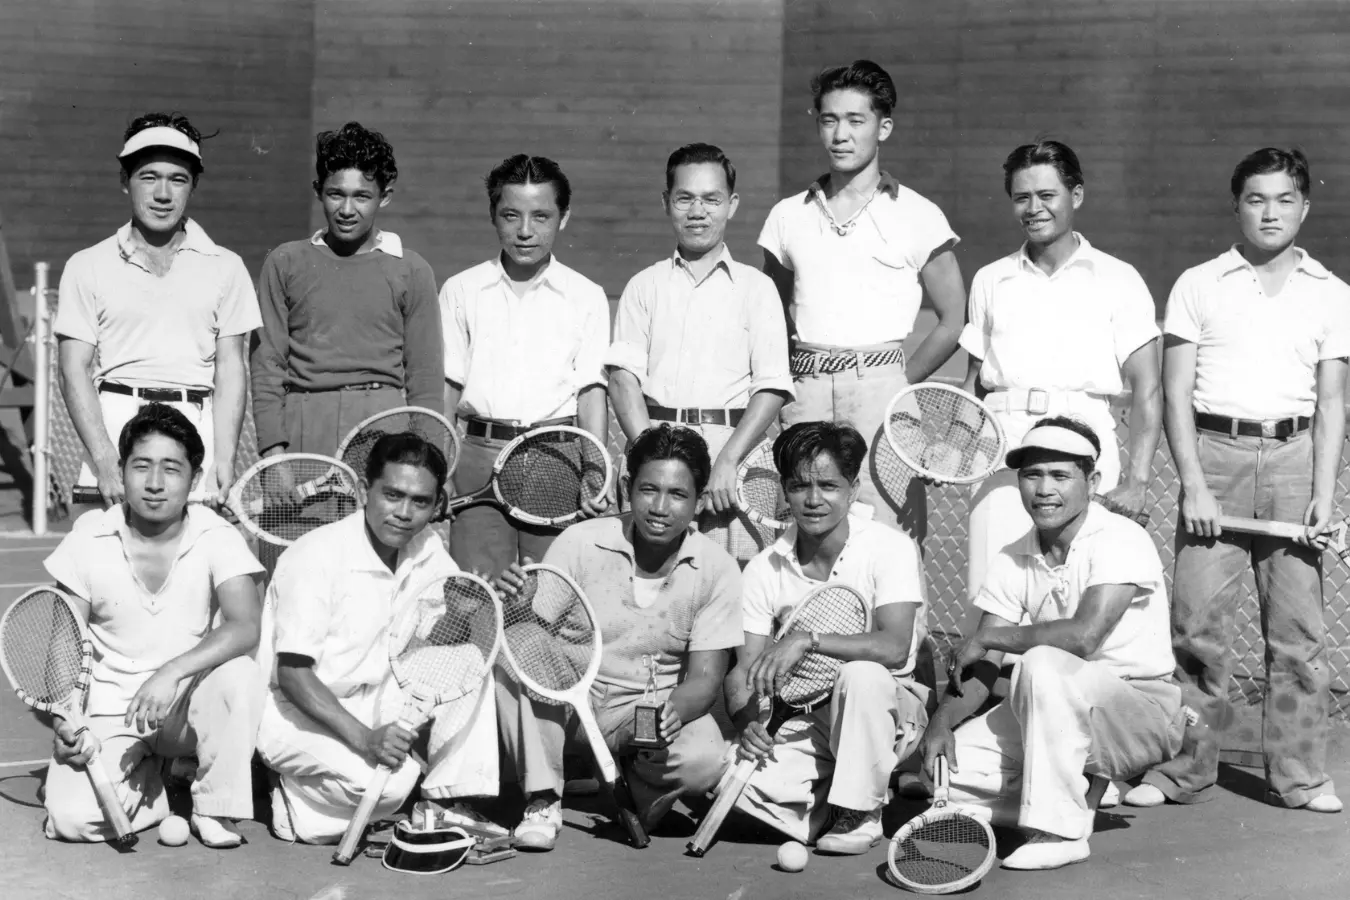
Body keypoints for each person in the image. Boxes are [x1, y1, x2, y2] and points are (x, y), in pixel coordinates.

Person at [1124, 148, 1349, 814]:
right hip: (1214, 459)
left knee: (1298, 636)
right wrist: (1192, 483)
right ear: (1238, 206)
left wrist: (1323, 487)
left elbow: (1333, 401)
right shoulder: (1200, 283)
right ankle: (1186, 771)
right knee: (1195, 629)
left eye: (1285, 199)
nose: (1271, 212)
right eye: (1257, 199)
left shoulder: (1332, 293)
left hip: (1295, 459)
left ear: (1305, 207)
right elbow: (1174, 392)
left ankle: (1301, 776)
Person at [923, 418, 1183, 870]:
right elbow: (985, 664)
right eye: (1031, 475)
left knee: (1041, 661)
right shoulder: (1013, 554)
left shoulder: (1122, 537)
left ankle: (1059, 831)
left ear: (1092, 482)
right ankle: (1069, 799)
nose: (1043, 489)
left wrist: (987, 636)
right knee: (942, 775)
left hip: (1138, 714)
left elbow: (1083, 637)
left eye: (1060, 476)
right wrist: (941, 722)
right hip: (1053, 706)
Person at [494, 424, 742, 851]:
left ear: (699, 502)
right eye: (649, 489)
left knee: (704, 760)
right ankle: (543, 798)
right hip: (573, 705)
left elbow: (705, 678)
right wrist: (518, 598)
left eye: (678, 495)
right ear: (627, 487)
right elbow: (531, 627)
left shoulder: (718, 567)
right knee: (514, 643)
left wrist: (671, 713)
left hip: (646, 713)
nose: (660, 507)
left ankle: (625, 770)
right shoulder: (579, 541)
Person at [255, 433, 501, 843]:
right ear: (363, 490)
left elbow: (432, 642)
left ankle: (444, 804)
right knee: (388, 785)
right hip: (295, 710)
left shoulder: (428, 549)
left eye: (420, 501)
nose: (404, 513)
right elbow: (294, 675)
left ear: (436, 505)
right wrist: (366, 739)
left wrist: (460, 614)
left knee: (468, 661)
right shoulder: (314, 555)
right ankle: (288, 793)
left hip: (379, 695)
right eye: (392, 495)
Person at [758, 60, 966, 539]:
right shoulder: (788, 216)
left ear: (883, 127)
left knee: (890, 537)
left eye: (856, 120)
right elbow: (771, 318)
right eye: (829, 120)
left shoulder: (919, 214)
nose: (840, 134)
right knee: (798, 534)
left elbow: (955, 318)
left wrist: (897, 381)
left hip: (883, 394)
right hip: (805, 392)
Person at [41, 403, 264, 847]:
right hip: (111, 710)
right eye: (141, 466)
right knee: (71, 821)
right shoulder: (89, 535)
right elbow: (64, 641)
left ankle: (214, 806)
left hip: (184, 705)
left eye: (171, 469)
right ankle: (157, 788)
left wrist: (171, 671)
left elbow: (245, 626)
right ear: (121, 470)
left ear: (194, 478)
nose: (156, 483)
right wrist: (64, 720)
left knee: (241, 674)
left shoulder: (216, 534)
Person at [960, 140, 1162, 607]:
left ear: (1077, 195)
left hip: (1089, 452)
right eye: (1021, 197)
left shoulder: (1119, 278)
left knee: (1077, 601)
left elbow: (1148, 388)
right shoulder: (991, 278)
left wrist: (1137, 479)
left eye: (1047, 195)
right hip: (1002, 456)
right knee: (993, 603)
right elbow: (975, 383)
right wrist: (955, 449)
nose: (1034, 208)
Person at [724, 421, 928, 854]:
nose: (813, 499)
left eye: (828, 485)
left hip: (890, 708)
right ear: (784, 490)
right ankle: (835, 794)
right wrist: (747, 725)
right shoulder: (763, 567)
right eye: (799, 486)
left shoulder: (889, 547)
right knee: (729, 783)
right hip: (802, 717)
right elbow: (744, 670)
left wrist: (805, 638)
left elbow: (893, 648)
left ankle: (862, 813)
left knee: (862, 676)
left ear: (853, 489)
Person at [57, 113, 260, 508]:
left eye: (177, 179)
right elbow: (72, 368)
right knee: (95, 566)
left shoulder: (227, 265)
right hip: (114, 431)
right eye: (148, 177)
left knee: (195, 567)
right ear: (125, 182)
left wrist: (224, 457)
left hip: (194, 431)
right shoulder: (86, 264)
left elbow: (231, 368)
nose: (162, 194)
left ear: (193, 186)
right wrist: (103, 459)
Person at [607, 143, 793, 565]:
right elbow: (622, 381)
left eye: (712, 199)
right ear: (666, 202)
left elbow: (772, 386)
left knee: (737, 595)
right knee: (651, 584)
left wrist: (727, 461)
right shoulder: (643, 285)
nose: (698, 211)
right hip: (657, 452)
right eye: (684, 198)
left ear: (732, 204)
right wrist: (651, 460)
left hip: (736, 461)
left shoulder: (756, 288)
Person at [441, 154, 610, 576]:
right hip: (478, 456)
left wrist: (595, 468)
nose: (525, 231)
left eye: (541, 216)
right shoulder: (462, 289)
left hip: (558, 459)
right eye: (511, 215)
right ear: (493, 215)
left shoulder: (586, 295)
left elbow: (592, 392)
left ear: (563, 217)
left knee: (550, 590)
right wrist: (441, 466)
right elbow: (447, 387)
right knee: (477, 591)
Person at [250, 122, 443, 459]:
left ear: (385, 197)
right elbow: (268, 366)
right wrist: (272, 453)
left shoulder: (412, 270)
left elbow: (425, 380)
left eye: (362, 196)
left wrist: (429, 459)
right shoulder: (284, 262)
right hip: (304, 432)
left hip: (385, 434)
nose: (347, 210)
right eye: (336, 194)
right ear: (318, 190)